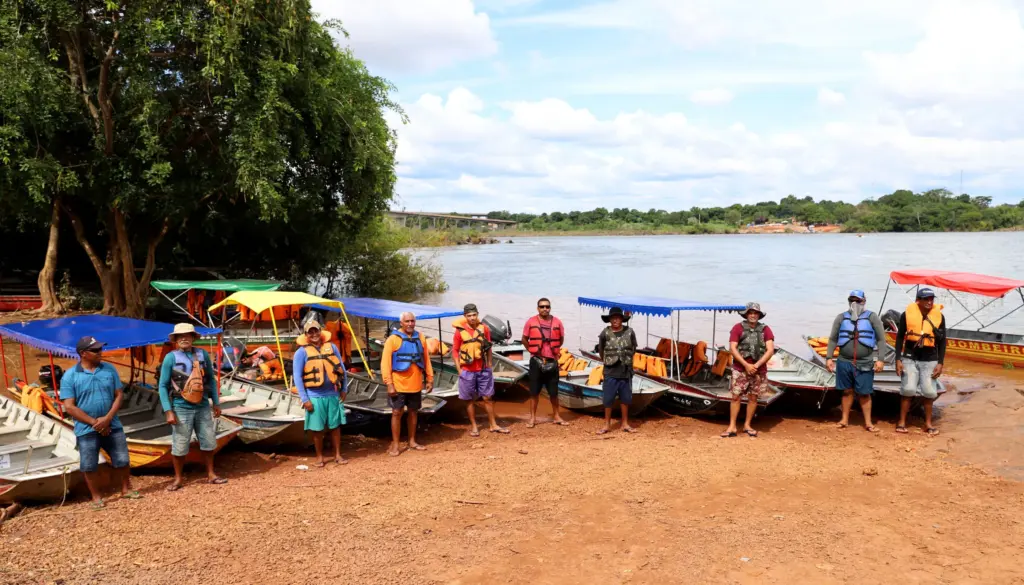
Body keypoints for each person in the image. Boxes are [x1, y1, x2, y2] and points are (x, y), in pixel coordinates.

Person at [60, 336, 138, 508]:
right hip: (86, 428)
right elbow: (69, 406)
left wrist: (108, 418)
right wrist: (95, 422)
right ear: (83, 353)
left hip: (112, 424)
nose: (100, 352)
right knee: (89, 464)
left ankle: (126, 489)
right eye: (95, 350)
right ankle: (96, 497)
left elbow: (119, 395)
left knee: (122, 459)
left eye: (100, 349)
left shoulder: (109, 369)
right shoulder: (70, 376)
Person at [158, 323, 227, 490]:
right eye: (180, 336)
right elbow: (162, 385)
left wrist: (216, 402)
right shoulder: (170, 358)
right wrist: (168, 411)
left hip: (202, 405)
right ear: (175, 339)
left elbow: (211, 380)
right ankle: (178, 478)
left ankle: (211, 474)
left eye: (187, 335)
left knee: (208, 440)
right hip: (181, 406)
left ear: (193, 338)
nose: (184, 338)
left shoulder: (202, 354)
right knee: (180, 443)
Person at [825, 290, 886, 432]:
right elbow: (833, 339)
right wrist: (829, 358)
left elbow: (881, 340)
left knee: (865, 393)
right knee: (846, 391)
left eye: (858, 300)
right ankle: (844, 419)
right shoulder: (841, 317)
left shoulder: (872, 317)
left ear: (864, 301)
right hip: (844, 360)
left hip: (864, 362)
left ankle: (868, 423)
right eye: (852, 300)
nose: (855, 303)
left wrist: (880, 359)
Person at [292, 319, 348, 465]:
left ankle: (337, 455)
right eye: (310, 332)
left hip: (333, 393)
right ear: (306, 335)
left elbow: (342, 369)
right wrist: (305, 399)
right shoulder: (301, 353)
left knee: (335, 426)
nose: (314, 334)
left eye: (316, 331)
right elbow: (297, 377)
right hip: (314, 396)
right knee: (317, 428)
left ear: (320, 331)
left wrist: (344, 389)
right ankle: (319, 457)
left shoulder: (332, 347)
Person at [894, 288, 946, 436]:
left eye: (931, 299)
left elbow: (943, 341)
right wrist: (898, 359)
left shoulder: (939, 317)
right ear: (918, 300)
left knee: (929, 391)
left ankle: (928, 424)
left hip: (930, 359)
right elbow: (900, 337)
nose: (929, 302)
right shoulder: (906, 315)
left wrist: (940, 363)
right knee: (908, 389)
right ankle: (902, 422)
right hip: (910, 357)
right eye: (926, 299)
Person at [381, 311, 434, 456]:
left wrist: (429, 378)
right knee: (396, 412)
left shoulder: (420, 337)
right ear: (401, 323)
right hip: (398, 383)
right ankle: (396, 444)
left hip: (415, 383)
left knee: (413, 412)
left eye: (412, 321)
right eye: (407, 321)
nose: (410, 324)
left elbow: (426, 359)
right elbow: (385, 364)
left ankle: (412, 441)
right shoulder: (392, 339)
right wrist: (389, 383)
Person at [452, 303, 509, 436]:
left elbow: (488, 347)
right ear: (465, 316)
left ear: (477, 314)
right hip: (467, 370)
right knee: (469, 399)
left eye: (474, 315)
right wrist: (459, 370)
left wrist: (489, 364)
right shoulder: (459, 331)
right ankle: (474, 426)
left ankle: (493, 424)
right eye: (469, 315)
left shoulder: (484, 329)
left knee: (488, 397)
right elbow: (455, 351)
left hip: (483, 369)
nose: (472, 318)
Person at [722, 303, 775, 438]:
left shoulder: (765, 329)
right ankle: (732, 426)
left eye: (755, 313)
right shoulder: (737, 328)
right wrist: (746, 365)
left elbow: (770, 350)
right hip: (740, 368)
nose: (753, 315)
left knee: (753, 397)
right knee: (735, 397)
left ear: (759, 315)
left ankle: (747, 425)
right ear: (746, 314)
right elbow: (733, 348)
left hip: (759, 370)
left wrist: (756, 365)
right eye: (750, 313)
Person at [521, 297, 568, 428]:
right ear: (538, 308)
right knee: (534, 392)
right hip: (536, 361)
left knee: (554, 392)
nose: (545, 309)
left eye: (547, 306)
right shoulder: (531, 322)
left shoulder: (557, 322)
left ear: (550, 308)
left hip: (552, 361)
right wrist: (532, 350)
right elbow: (524, 339)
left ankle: (557, 416)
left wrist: (553, 350)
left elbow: (561, 340)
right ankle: (532, 418)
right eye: (542, 307)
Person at [597, 306, 638, 434]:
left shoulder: (630, 332)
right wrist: (609, 360)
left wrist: (626, 360)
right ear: (609, 320)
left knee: (625, 399)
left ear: (622, 319)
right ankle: (607, 425)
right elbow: (601, 351)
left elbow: (633, 349)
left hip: (625, 370)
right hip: (610, 371)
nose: (615, 320)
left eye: (618, 318)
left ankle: (625, 423)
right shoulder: (605, 333)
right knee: (608, 399)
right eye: (613, 318)